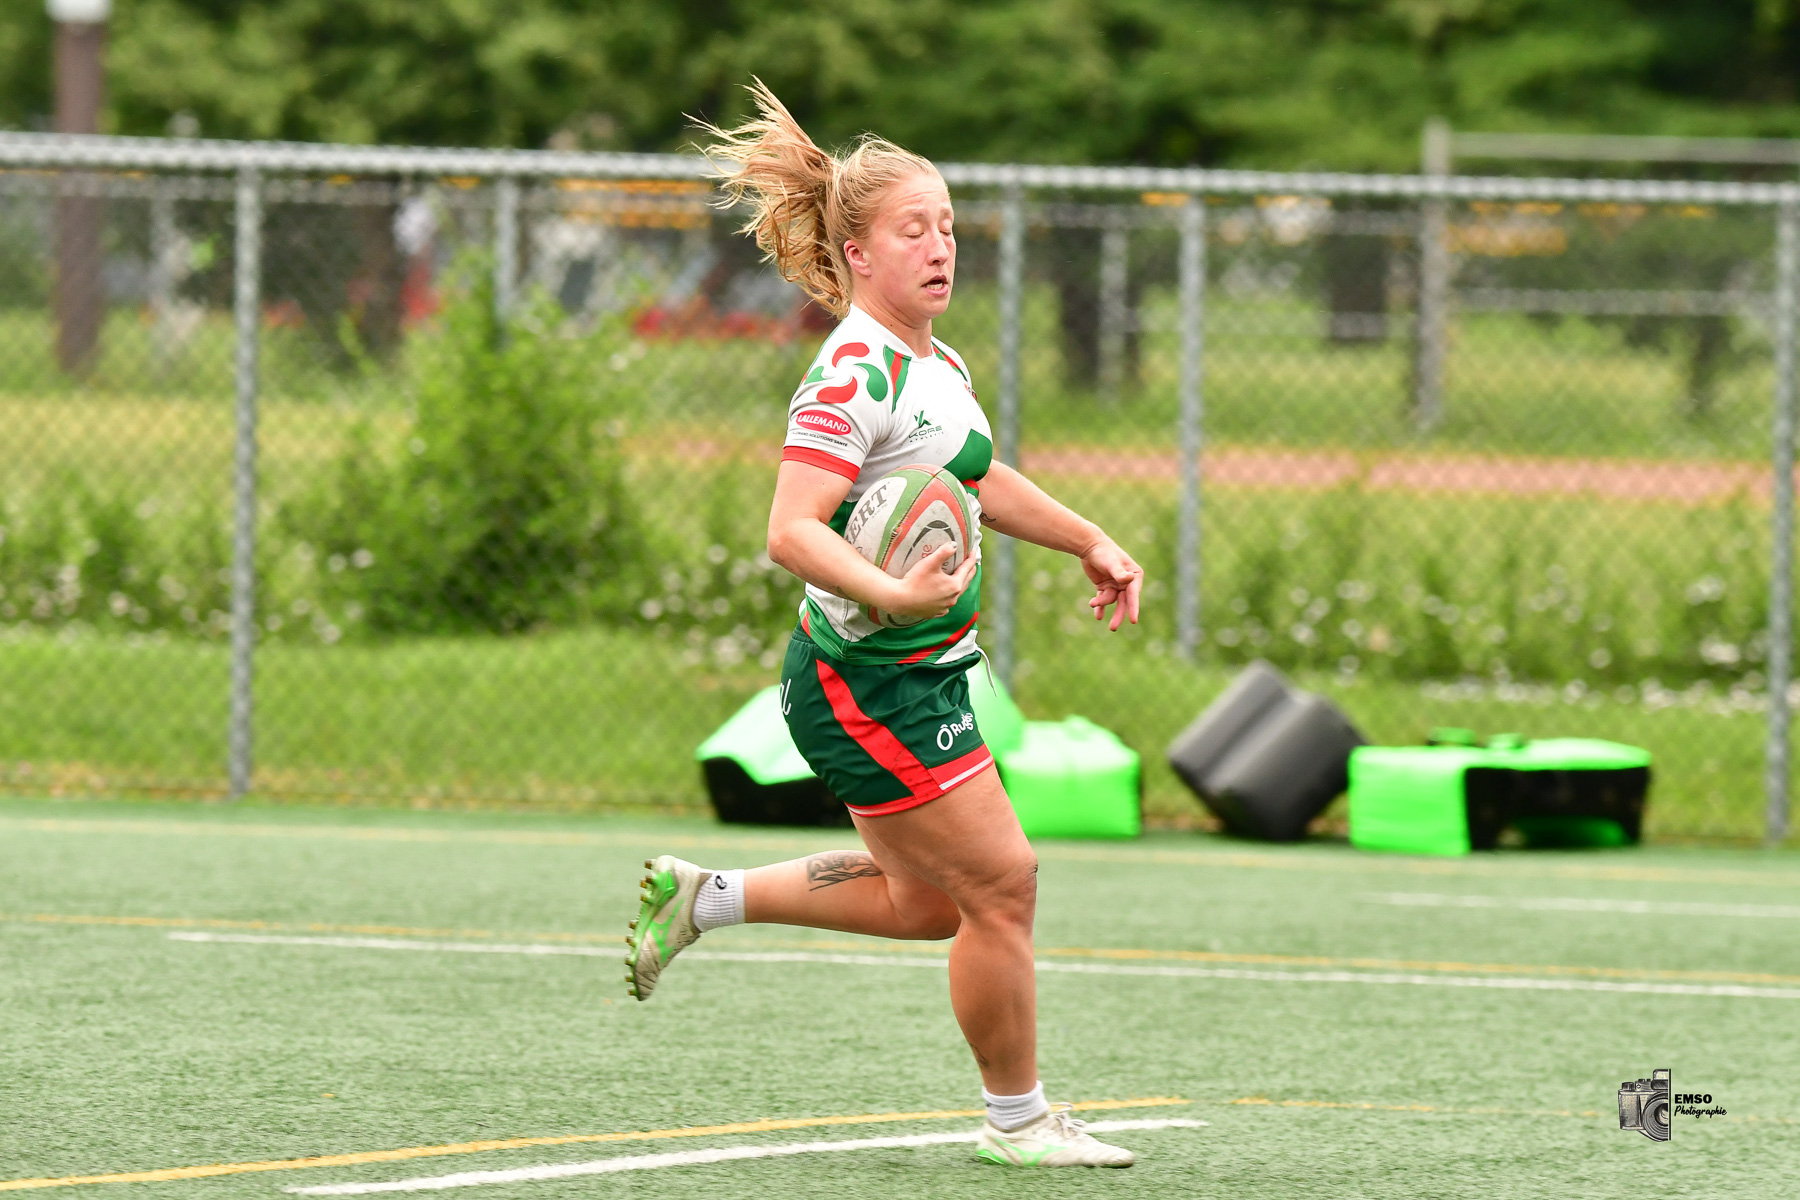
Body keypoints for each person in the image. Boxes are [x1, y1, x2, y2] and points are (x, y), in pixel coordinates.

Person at [626, 82, 1145, 1169]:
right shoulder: (853, 373)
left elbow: (979, 475)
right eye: (915, 228)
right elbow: (791, 530)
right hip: (867, 681)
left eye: (949, 225)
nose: (941, 245)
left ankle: (704, 899)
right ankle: (1019, 1122)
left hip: (916, 672)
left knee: (927, 905)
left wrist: (1088, 535)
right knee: (1001, 884)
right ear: (858, 253)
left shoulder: (936, 365)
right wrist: (897, 591)